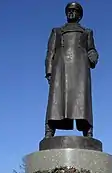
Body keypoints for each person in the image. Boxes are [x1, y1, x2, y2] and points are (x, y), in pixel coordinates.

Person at [45, 2, 99, 138]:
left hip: (80, 70)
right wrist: (49, 71)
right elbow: (50, 52)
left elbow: (91, 48)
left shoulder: (87, 32)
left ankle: (87, 130)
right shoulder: (57, 32)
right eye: (69, 10)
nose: (71, 13)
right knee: (56, 101)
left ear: (80, 15)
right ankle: (50, 129)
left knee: (82, 100)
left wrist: (93, 55)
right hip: (60, 69)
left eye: (74, 11)